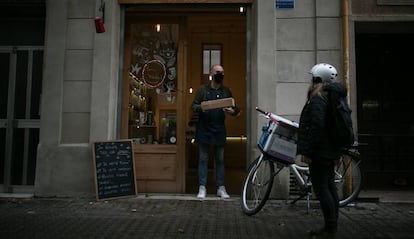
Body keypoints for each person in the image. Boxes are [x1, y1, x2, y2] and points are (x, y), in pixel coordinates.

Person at [297, 63, 346, 239]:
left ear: (317, 79)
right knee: (330, 187)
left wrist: (308, 151)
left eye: (312, 77)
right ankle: (331, 226)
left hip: (320, 152)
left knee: (322, 189)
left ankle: (330, 229)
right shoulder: (332, 97)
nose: (309, 81)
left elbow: (316, 127)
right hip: (330, 149)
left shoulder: (318, 98)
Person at [191, 64, 240, 199]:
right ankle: (202, 187)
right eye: (218, 72)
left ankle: (221, 187)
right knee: (203, 159)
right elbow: (193, 106)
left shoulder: (226, 91)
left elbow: (236, 109)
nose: (220, 74)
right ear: (211, 74)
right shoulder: (203, 90)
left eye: (222, 72)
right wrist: (201, 108)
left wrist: (232, 111)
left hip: (219, 129)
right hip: (204, 129)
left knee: (220, 160)